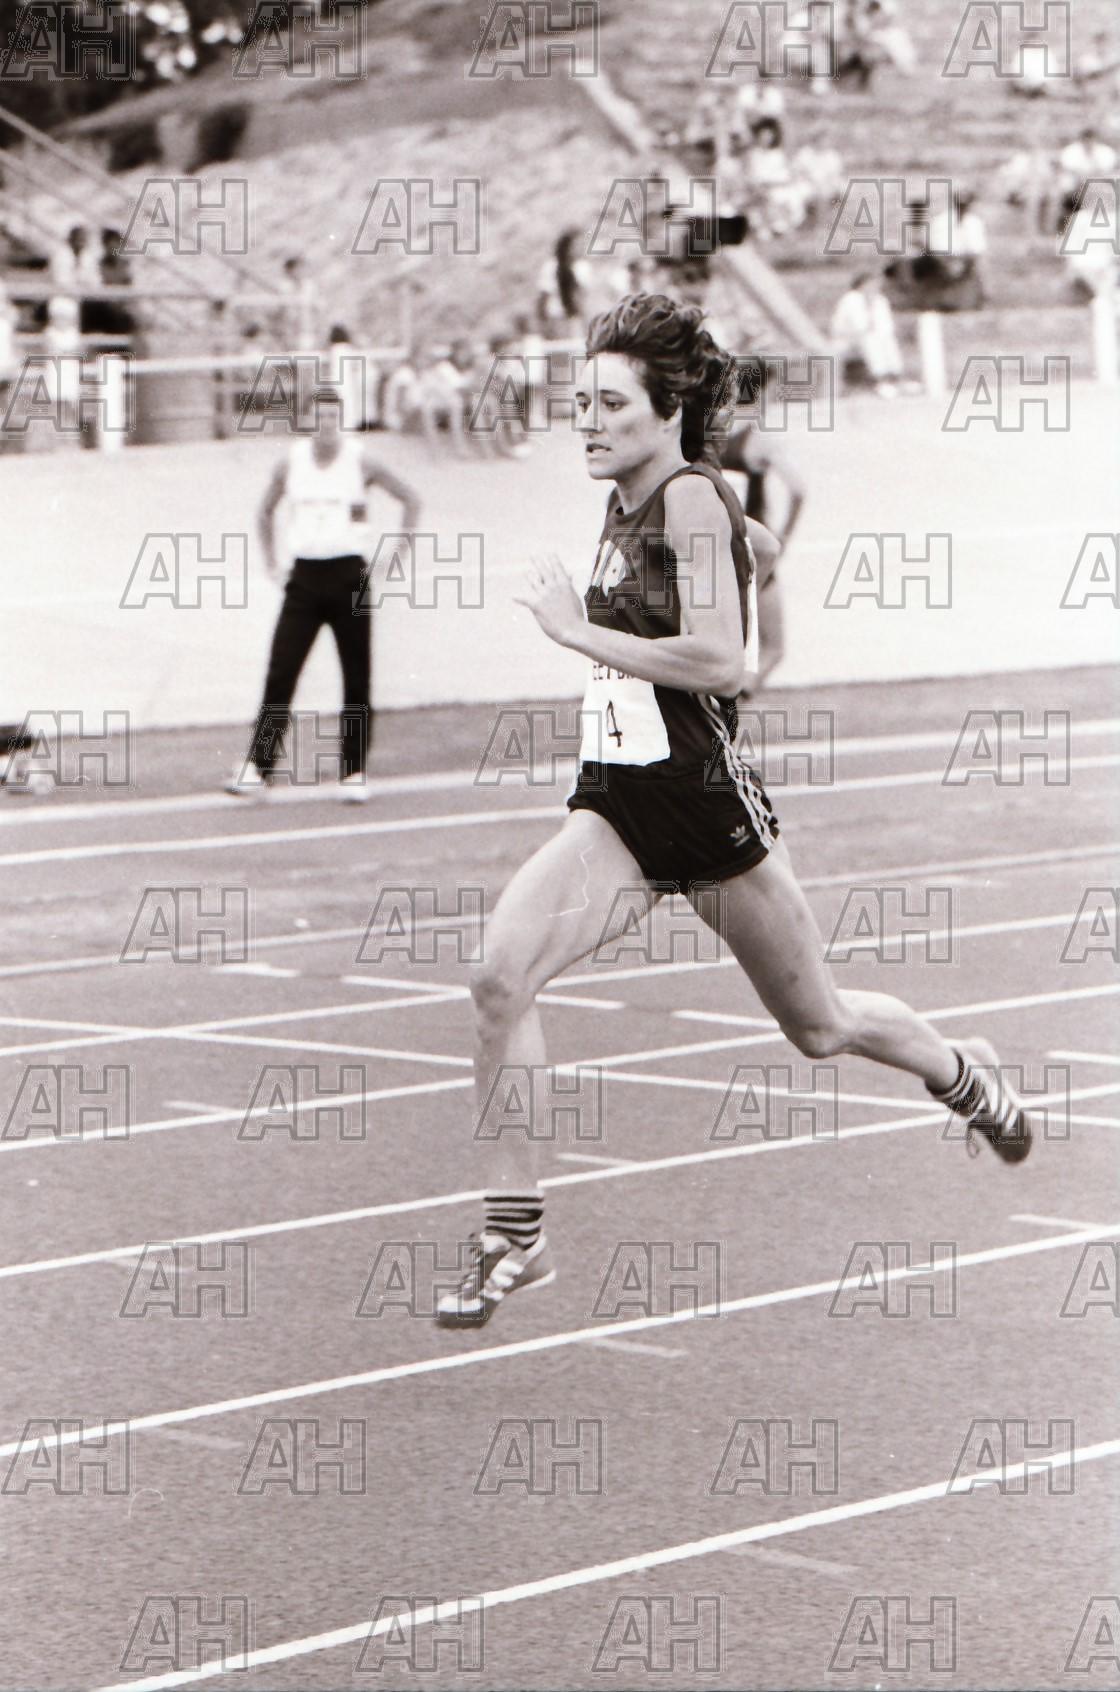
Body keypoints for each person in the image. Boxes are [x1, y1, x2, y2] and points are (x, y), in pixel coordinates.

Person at [435, 293, 1033, 1329]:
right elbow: (750, 548)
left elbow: (722, 660)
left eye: (608, 403)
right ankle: (515, 1234)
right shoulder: (637, 495)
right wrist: (742, 553)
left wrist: (577, 632)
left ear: (666, 411)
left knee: (821, 1026)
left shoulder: (686, 500)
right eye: (580, 399)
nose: (584, 419)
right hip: (618, 810)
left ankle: (960, 1073)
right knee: (499, 977)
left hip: (706, 813)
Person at [225, 388, 421, 800]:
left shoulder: (361, 460)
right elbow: (264, 511)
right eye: (319, 417)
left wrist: (397, 554)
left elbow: (410, 499)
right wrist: (271, 562)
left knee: (356, 676)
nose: (327, 425)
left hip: (349, 576)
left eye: (333, 417)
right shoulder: (291, 462)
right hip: (304, 578)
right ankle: (258, 768)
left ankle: (354, 771)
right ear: (308, 421)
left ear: (341, 422)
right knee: (281, 671)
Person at [717, 378, 808, 688]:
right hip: (753, 552)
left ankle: (714, 704)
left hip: (713, 551)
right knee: (772, 648)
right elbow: (798, 489)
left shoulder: (703, 438)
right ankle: (731, 702)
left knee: (720, 645)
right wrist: (784, 537)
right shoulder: (757, 441)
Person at [830, 271, 904, 393]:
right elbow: (859, 325)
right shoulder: (851, 299)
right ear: (862, 284)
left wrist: (881, 333)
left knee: (888, 340)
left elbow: (887, 325)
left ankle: (895, 377)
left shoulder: (880, 300)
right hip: (847, 338)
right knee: (870, 340)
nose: (874, 287)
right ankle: (880, 380)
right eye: (871, 284)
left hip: (873, 336)